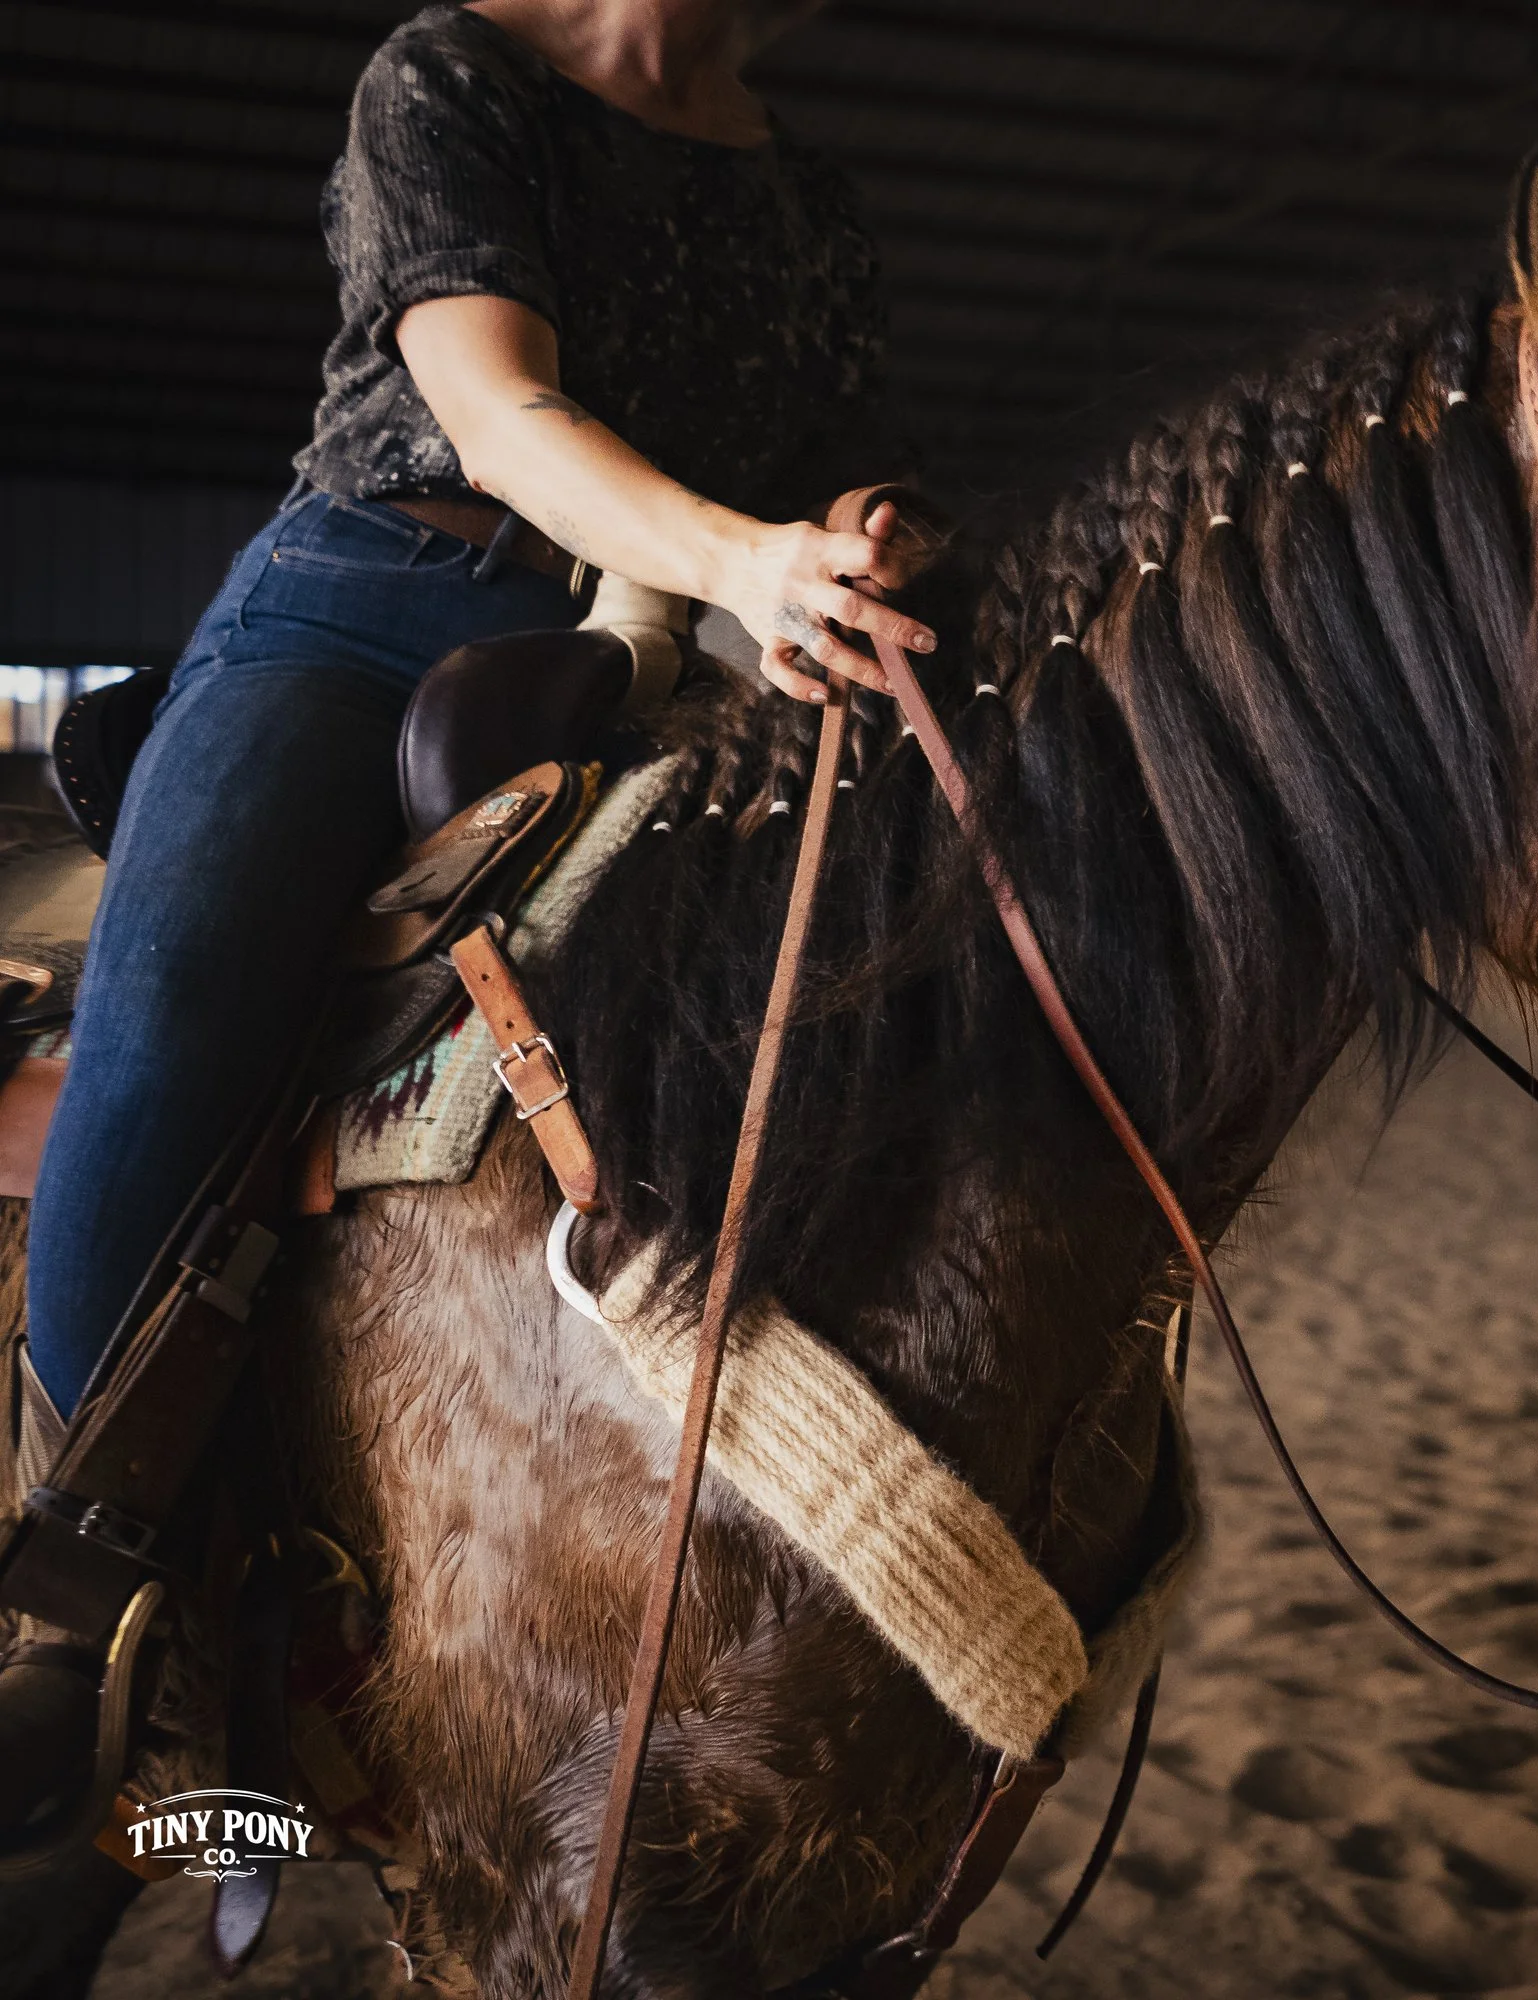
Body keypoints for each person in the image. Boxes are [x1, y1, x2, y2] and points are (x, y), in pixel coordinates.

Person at [3, 0, 937, 1830]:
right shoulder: (450, 77)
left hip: (662, 648)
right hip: (373, 603)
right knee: (184, 988)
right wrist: (743, 555)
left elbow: (831, 459)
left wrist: (856, 535)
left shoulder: (809, 192)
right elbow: (500, 413)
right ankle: (70, 1584)